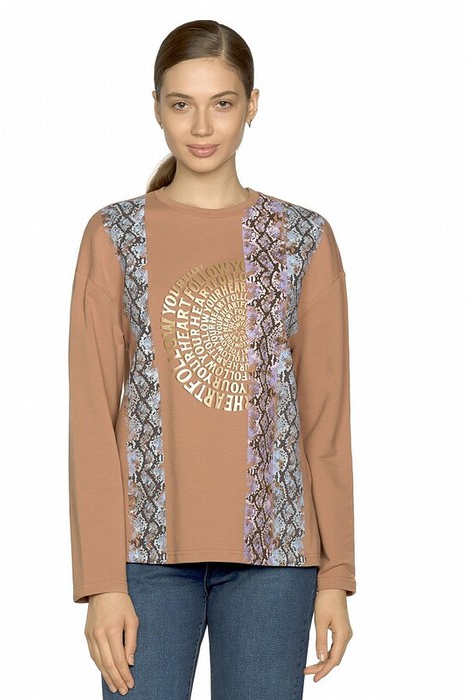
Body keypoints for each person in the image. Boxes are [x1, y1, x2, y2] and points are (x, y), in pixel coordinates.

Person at [68, 18, 356, 699]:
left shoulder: (302, 239)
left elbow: (326, 421)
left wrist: (336, 576)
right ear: (156, 107)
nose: (201, 126)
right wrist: (101, 583)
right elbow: (91, 418)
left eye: (222, 103)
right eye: (181, 104)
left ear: (252, 105)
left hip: (277, 559)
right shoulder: (115, 234)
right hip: (142, 560)